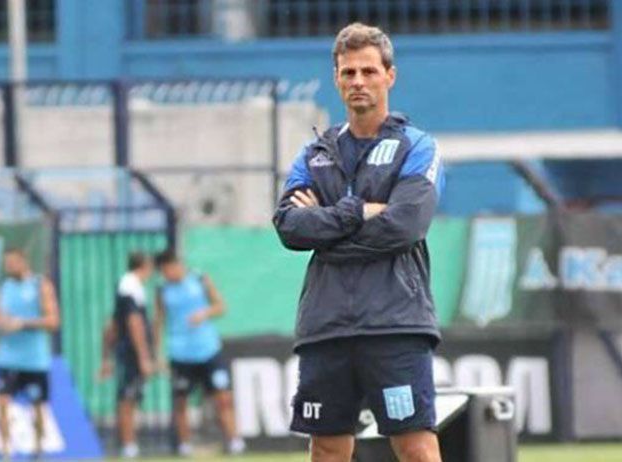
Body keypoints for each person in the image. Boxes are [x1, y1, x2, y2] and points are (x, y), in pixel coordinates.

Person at [273, 22, 445, 462]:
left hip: (395, 324)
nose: (358, 82)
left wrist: (326, 227)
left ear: (390, 75)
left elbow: (405, 226)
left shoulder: (417, 146)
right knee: (327, 449)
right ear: (336, 79)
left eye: (368, 71)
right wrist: (358, 211)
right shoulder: (314, 153)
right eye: (348, 73)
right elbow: (290, 227)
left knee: (417, 448)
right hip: (326, 324)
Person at [153, 249, 244, 456]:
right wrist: (157, 354)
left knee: (223, 397)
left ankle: (235, 441)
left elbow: (220, 306)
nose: (168, 274)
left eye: (169, 269)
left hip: (207, 349)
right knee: (181, 401)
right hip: (180, 353)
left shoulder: (199, 279)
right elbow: (158, 321)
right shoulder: (162, 289)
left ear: (176, 265)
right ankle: (184, 445)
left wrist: (204, 313)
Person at [0, 248, 60, 458]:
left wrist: (22, 324)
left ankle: (38, 448)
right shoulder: (5, 287)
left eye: (12, 263)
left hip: (34, 360)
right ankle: (5, 451)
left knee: (38, 407)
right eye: (6, 264)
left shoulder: (40, 285)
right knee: (2, 403)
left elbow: (53, 321)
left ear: (23, 262)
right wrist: (1, 323)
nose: (9, 267)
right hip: (8, 358)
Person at [99, 252, 155, 459]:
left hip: (126, 353)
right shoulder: (130, 288)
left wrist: (105, 359)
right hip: (130, 353)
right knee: (127, 399)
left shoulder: (126, 287)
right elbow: (134, 323)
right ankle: (129, 445)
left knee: (129, 398)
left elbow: (111, 326)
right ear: (145, 266)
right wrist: (144, 357)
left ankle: (129, 444)